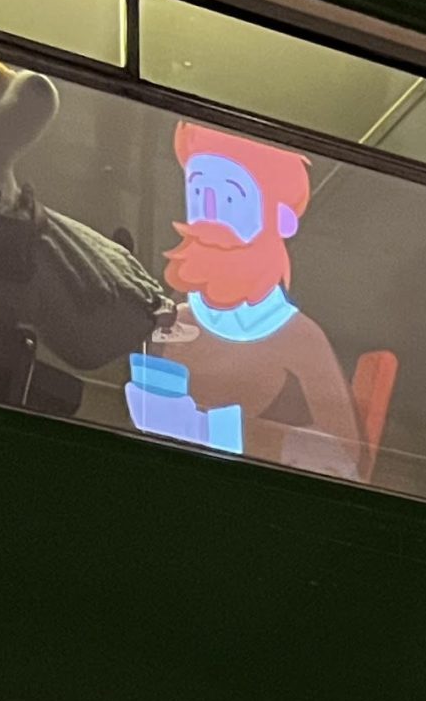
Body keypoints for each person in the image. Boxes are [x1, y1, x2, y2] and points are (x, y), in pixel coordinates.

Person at [125, 124, 366, 477]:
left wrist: (238, 437)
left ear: (280, 218)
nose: (208, 215)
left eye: (228, 198)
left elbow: (345, 451)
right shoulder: (176, 319)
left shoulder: (299, 336)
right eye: (197, 194)